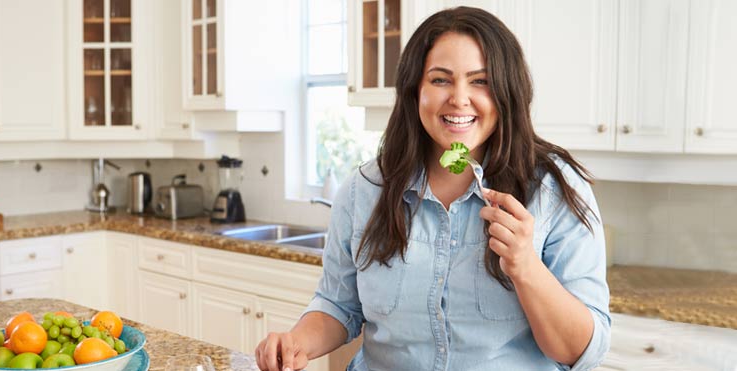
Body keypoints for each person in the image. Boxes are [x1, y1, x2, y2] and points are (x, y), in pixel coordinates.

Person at [256, 6, 610, 371]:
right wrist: (297, 342)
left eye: (480, 81)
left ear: (507, 92)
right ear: (415, 91)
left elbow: (581, 352)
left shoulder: (554, 190)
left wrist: (525, 266)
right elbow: (338, 305)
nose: (459, 98)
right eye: (440, 80)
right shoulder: (364, 190)